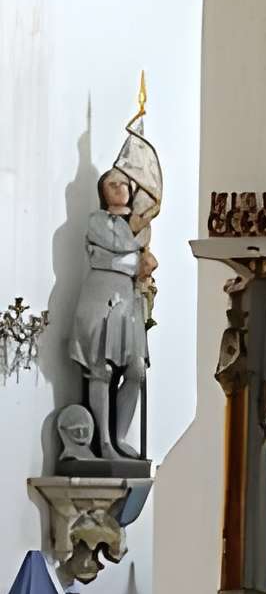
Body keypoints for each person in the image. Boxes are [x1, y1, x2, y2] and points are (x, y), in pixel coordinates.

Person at [69, 170, 154, 459]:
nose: (119, 189)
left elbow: (133, 258)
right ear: (102, 192)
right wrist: (134, 257)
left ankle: (118, 437)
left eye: (123, 183)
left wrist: (134, 259)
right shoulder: (98, 221)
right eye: (111, 184)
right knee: (100, 369)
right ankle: (103, 443)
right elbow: (120, 247)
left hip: (128, 300)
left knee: (136, 370)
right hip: (100, 297)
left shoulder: (140, 225)